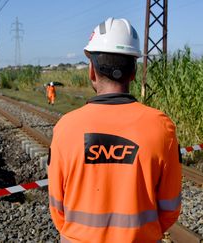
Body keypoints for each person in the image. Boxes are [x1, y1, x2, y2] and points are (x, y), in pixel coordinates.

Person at [48, 17, 182, 242]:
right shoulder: (162, 128)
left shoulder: (65, 128)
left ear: (92, 71)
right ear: (133, 72)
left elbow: (57, 209)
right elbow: (170, 208)